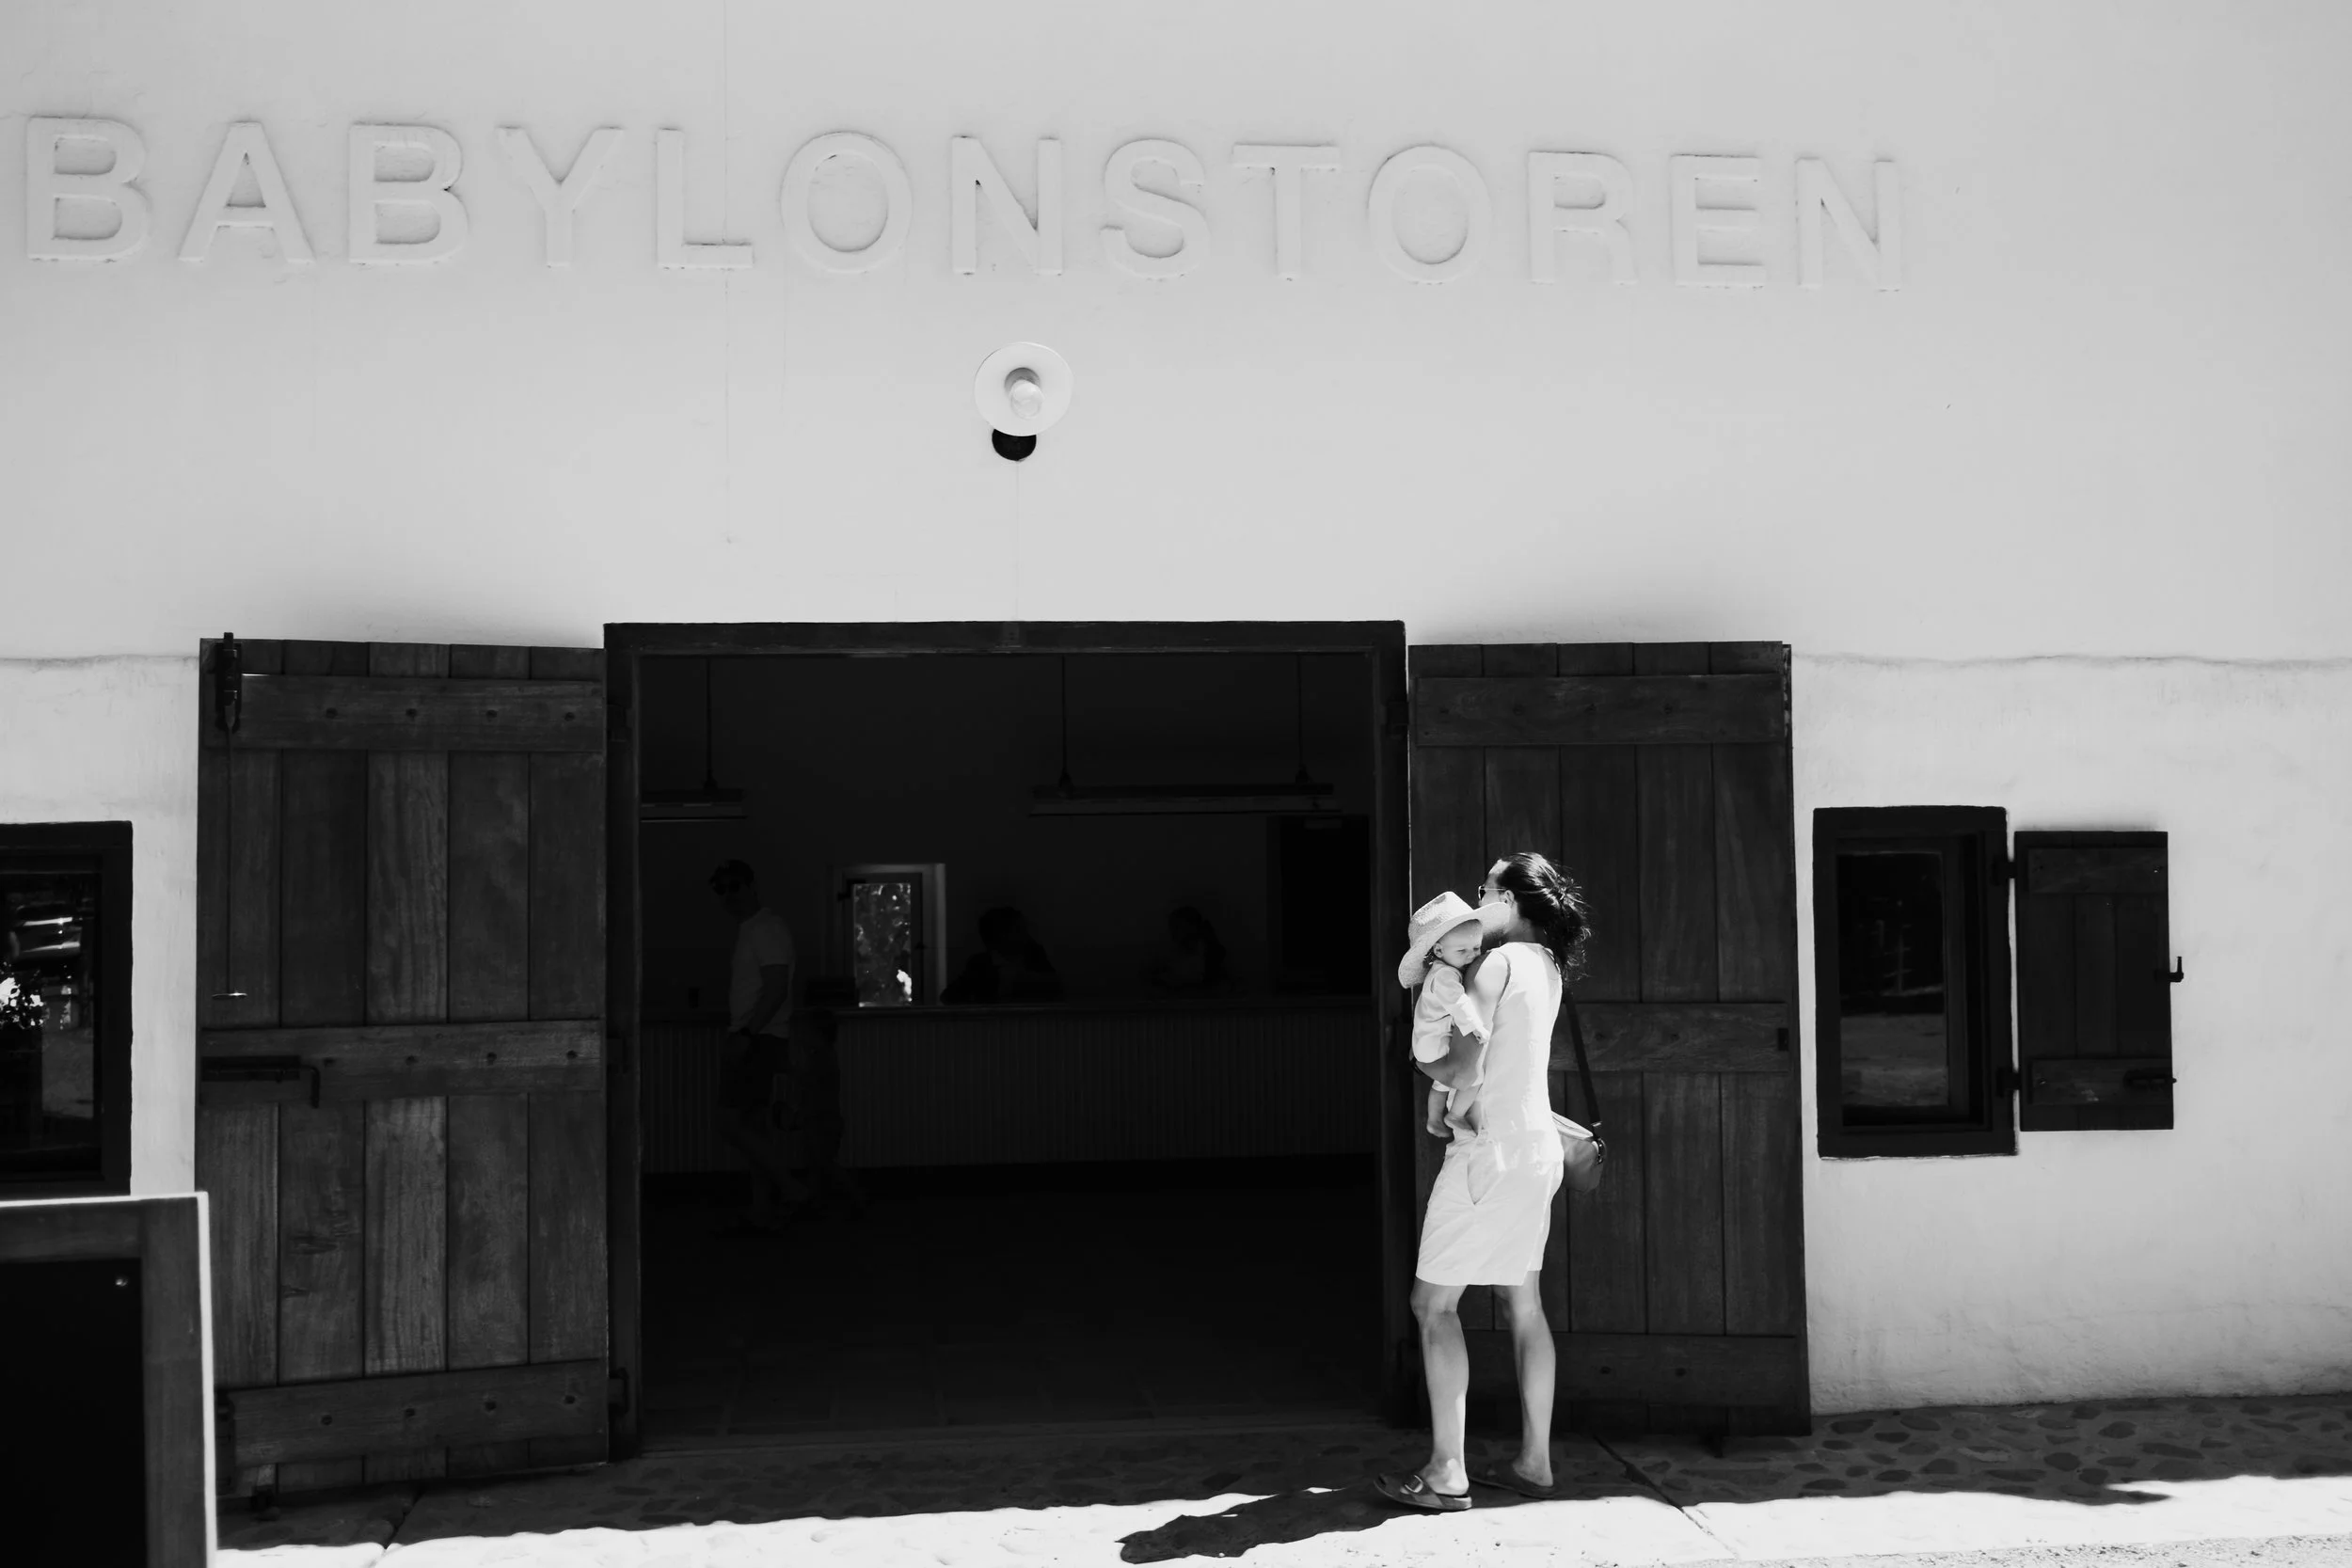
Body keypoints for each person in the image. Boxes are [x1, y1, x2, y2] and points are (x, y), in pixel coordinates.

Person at [1376, 851, 1590, 1513]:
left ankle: (1447, 1471)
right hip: (1535, 1153)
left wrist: (1426, 1072)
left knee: (1433, 1305)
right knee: (1524, 1305)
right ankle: (1535, 1462)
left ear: (1511, 899)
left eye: (1485, 890)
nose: (1478, 899)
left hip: (1488, 1153)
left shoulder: (1497, 963)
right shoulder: (1548, 965)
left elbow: (1464, 1060)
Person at [709, 860, 812, 1231]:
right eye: (721, 889)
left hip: (758, 1039)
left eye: (734, 886)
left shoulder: (766, 929)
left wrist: (747, 1035)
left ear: (751, 886)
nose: (728, 895)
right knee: (753, 1127)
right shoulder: (753, 930)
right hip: (758, 1037)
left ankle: (792, 1189)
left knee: (728, 1122)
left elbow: (776, 988)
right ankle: (762, 1208)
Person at [1399, 892, 1494, 1137]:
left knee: (1441, 1082)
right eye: (1462, 950)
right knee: (1474, 1078)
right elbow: (1458, 1003)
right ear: (1439, 950)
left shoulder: (1443, 969)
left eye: (1476, 947)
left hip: (1427, 1043)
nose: (1471, 955)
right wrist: (1475, 1027)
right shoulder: (1445, 976)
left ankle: (1433, 1120)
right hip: (1433, 1044)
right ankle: (1455, 1115)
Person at [940, 907, 1062, 1003]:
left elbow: (1057, 989)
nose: (1026, 934)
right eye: (1018, 929)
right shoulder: (981, 964)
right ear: (1000, 934)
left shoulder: (1034, 955)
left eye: (1024, 929)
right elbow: (950, 997)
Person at [1142, 905, 1232, 994]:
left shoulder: (1212, 955)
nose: (1173, 931)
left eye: (1177, 927)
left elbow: (1218, 986)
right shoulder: (1172, 954)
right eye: (1173, 927)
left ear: (1193, 927)